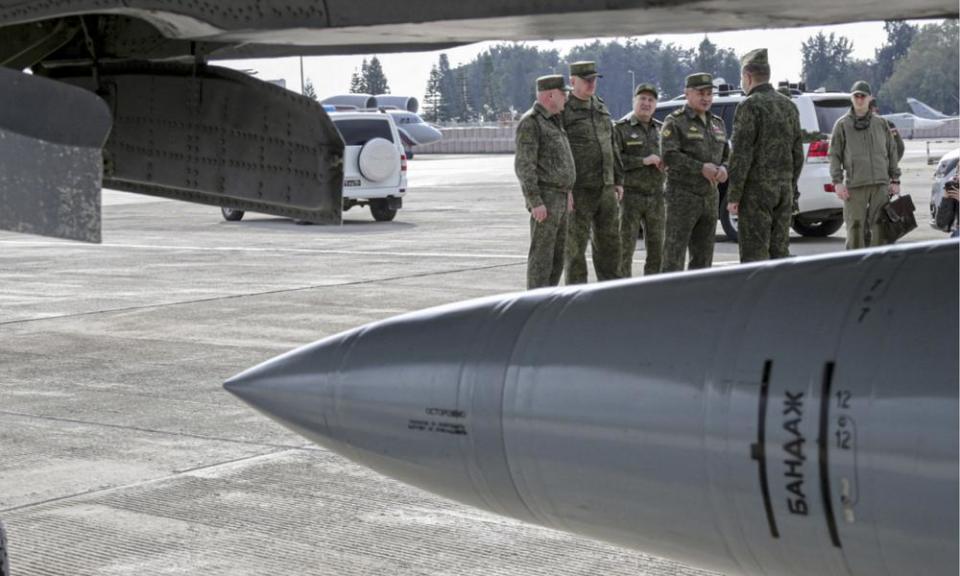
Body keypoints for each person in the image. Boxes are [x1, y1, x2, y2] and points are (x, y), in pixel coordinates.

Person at [726, 48, 803, 262]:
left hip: (756, 194)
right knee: (779, 253)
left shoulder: (749, 106)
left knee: (754, 257)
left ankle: (755, 295)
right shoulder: (789, 106)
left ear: (748, 77)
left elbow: (741, 154)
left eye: (742, 77)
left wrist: (734, 195)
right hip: (783, 191)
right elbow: (798, 153)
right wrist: (790, 185)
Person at [660, 72, 730, 272]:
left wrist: (724, 167)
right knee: (673, 255)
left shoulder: (717, 123)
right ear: (687, 94)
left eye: (709, 93)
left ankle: (698, 298)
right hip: (682, 197)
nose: (706, 98)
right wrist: (700, 167)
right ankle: (670, 299)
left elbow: (726, 153)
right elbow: (669, 155)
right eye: (701, 93)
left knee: (704, 257)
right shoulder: (675, 121)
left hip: (709, 197)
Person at [561, 60, 623, 284]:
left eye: (594, 79)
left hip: (605, 188)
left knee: (610, 245)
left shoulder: (600, 106)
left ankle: (610, 292)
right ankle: (577, 297)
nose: (591, 84)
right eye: (586, 80)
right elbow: (560, 149)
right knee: (575, 250)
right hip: (579, 191)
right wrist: (564, 188)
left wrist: (618, 179)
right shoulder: (564, 109)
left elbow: (611, 144)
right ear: (572, 81)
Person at [514, 74, 576, 289]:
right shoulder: (531, 122)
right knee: (542, 257)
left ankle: (548, 299)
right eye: (563, 93)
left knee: (558, 256)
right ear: (550, 95)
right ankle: (535, 302)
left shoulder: (554, 121)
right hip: (546, 199)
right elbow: (524, 165)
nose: (566, 98)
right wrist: (535, 201)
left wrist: (568, 192)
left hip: (560, 197)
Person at [829, 80, 901, 250]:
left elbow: (892, 152)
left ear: (870, 98)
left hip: (880, 185)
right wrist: (837, 182)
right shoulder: (842, 125)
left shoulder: (881, 123)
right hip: (855, 185)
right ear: (852, 98)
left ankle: (877, 266)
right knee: (855, 228)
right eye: (856, 96)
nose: (860, 99)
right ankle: (856, 267)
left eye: (863, 96)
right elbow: (834, 155)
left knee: (880, 228)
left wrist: (895, 179)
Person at [614, 82, 665, 276]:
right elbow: (615, 160)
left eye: (651, 100)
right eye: (642, 99)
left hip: (657, 197)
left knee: (657, 248)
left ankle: (651, 287)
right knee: (624, 248)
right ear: (634, 101)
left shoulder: (662, 129)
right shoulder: (621, 129)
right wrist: (643, 161)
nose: (646, 103)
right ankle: (622, 289)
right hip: (630, 197)